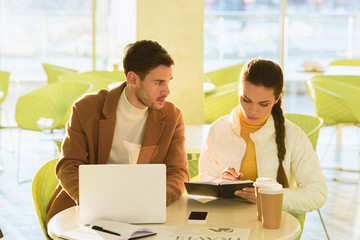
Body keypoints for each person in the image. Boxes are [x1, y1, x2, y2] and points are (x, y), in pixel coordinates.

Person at [46, 40, 190, 225]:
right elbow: (68, 165)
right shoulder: (86, 108)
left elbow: (177, 172)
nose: (167, 91)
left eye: (168, 81)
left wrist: (151, 202)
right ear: (133, 79)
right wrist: (96, 203)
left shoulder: (172, 117)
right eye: (158, 82)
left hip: (143, 213)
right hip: (85, 212)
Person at [199, 58, 327, 215]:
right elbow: (205, 185)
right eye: (246, 100)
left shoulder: (293, 136)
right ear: (239, 90)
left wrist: (268, 196)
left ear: (277, 98)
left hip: (271, 225)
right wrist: (220, 184)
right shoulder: (218, 130)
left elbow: (317, 193)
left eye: (263, 104)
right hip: (226, 223)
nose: (252, 110)